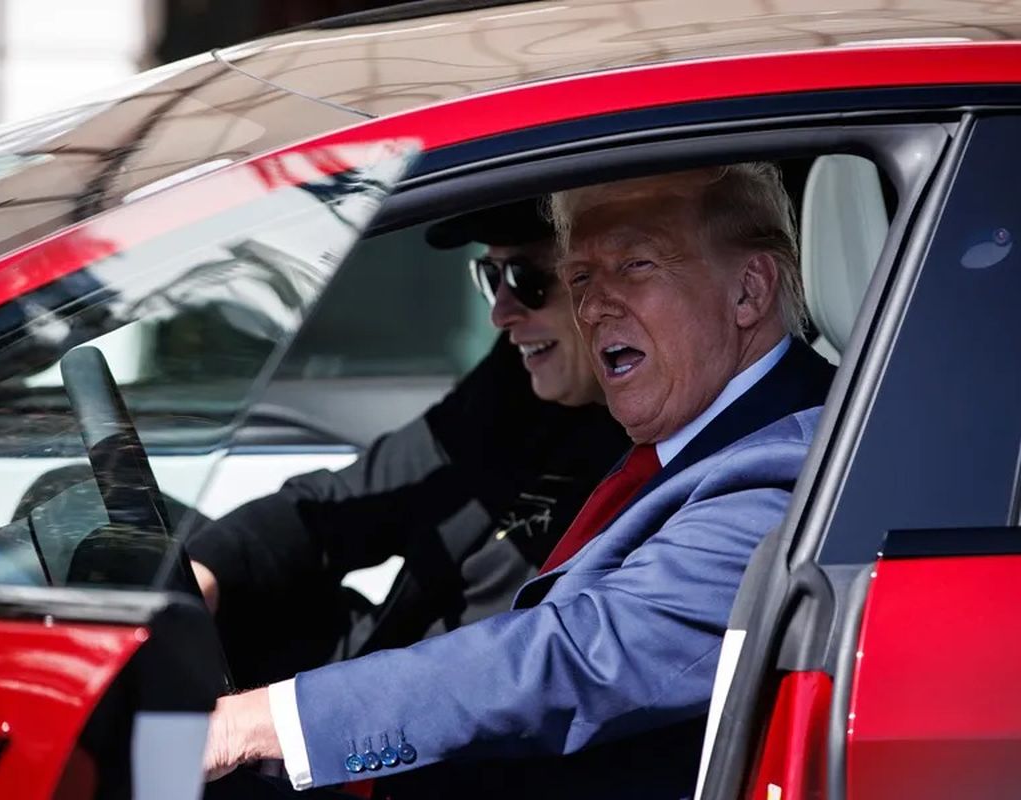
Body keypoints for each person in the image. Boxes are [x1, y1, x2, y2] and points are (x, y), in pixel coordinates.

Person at [202, 163, 836, 799]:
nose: (590, 307)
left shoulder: (785, 461)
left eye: (635, 265)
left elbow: (579, 655)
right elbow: (348, 506)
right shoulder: (688, 422)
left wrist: (264, 723)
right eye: (579, 278)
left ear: (749, 292)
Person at [186, 200, 631, 687]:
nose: (501, 312)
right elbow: (352, 502)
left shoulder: (669, 456)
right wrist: (206, 571)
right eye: (490, 277)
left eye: (527, 279)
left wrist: (280, 725)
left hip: (431, 725)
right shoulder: (518, 387)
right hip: (370, 683)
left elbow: (528, 680)